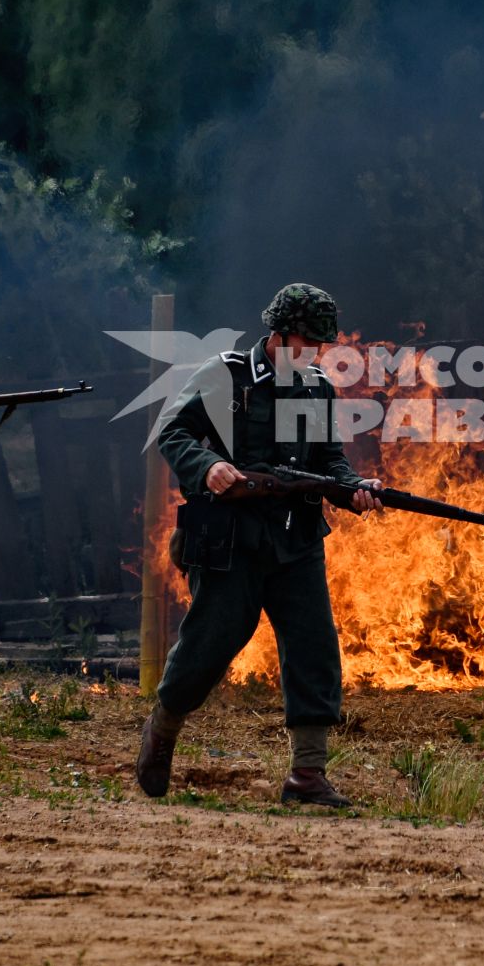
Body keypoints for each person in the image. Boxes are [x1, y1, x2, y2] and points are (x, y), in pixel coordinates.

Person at [137, 283, 382, 808]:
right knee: (210, 645)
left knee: (314, 648)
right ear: (277, 333)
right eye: (304, 342)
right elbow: (173, 433)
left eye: (318, 346)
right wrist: (210, 468)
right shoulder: (226, 376)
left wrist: (355, 488)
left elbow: (327, 463)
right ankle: (162, 730)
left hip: (296, 542)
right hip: (231, 542)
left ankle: (307, 774)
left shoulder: (316, 387)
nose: (312, 354)